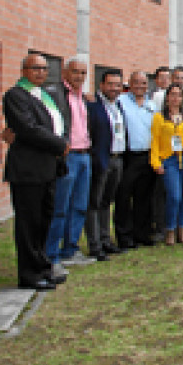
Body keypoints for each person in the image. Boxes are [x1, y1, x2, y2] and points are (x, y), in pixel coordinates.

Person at [3, 54, 69, 290]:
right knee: (29, 224)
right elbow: (28, 129)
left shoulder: (43, 96)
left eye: (44, 68)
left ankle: (42, 267)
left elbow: (57, 123)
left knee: (43, 221)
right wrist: (61, 144)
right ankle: (29, 275)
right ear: (23, 70)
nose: (41, 72)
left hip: (47, 168)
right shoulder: (15, 96)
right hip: (28, 171)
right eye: (35, 68)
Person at [45, 56, 95, 267]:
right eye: (75, 72)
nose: (79, 76)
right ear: (65, 73)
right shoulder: (54, 94)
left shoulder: (82, 97)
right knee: (60, 207)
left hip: (85, 155)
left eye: (83, 73)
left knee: (80, 205)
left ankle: (71, 249)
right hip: (68, 156)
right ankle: (52, 254)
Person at [150, 84, 183, 246]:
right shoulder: (160, 117)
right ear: (167, 97)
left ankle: (182, 228)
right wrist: (156, 162)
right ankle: (170, 229)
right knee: (174, 196)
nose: (175, 98)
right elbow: (155, 141)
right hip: (170, 160)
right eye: (172, 94)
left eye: (179, 95)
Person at [84, 69, 126, 261]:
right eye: (110, 84)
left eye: (117, 85)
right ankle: (95, 245)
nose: (114, 88)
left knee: (106, 202)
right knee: (94, 202)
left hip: (118, 159)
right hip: (101, 159)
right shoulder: (92, 106)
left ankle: (106, 240)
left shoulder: (118, 106)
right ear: (101, 85)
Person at [116, 71, 158, 250]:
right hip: (129, 156)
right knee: (124, 197)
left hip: (148, 155)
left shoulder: (153, 104)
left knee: (144, 197)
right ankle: (125, 237)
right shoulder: (121, 102)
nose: (140, 86)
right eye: (136, 83)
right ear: (130, 84)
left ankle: (142, 234)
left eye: (143, 83)